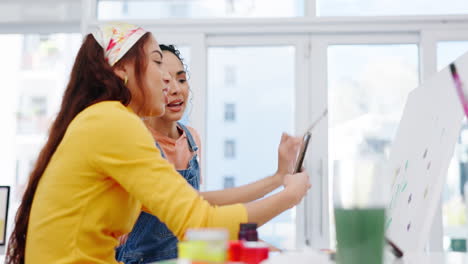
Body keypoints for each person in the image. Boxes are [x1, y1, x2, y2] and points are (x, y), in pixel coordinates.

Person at [6, 23, 311, 264]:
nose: (167, 82)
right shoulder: (114, 123)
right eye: (156, 63)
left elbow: (195, 209)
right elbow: (200, 223)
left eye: (179, 76)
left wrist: (276, 183)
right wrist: (289, 195)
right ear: (120, 70)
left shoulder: (105, 120)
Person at [116, 44, 302, 263]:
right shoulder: (136, 141)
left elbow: (199, 211)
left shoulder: (191, 140)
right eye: (164, 82)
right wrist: (285, 193)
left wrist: (279, 177)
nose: (176, 89)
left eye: (182, 79)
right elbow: (197, 209)